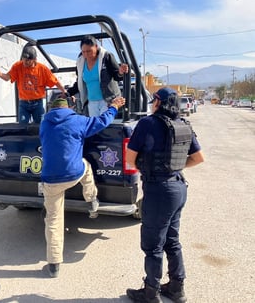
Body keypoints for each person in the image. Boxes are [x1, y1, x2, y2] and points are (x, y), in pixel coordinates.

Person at [125, 87, 204, 303]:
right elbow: (198, 158)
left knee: (153, 245)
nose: (152, 104)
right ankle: (177, 289)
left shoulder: (147, 124)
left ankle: (151, 292)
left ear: (158, 102)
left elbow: (130, 158)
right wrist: (173, 168)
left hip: (158, 191)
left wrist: (153, 170)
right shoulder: (184, 124)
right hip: (178, 188)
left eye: (154, 101)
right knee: (172, 240)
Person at [39, 96, 126, 278]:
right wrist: (113, 107)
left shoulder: (44, 123)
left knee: (53, 221)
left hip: (50, 180)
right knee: (86, 167)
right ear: (70, 107)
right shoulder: (78, 120)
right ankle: (92, 199)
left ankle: (54, 264)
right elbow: (102, 121)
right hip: (73, 174)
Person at [0, 45, 67, 124]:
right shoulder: (17, 66)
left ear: (35, 59)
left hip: (37, 103)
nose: (25, 61)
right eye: (24, 59)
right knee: (22, 125)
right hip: (23, 103)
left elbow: (55, 81)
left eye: (28, 60)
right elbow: (7, 77)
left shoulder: (42, 69)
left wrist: (65, 92)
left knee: (40, 125)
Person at [67, 35, 129, 116]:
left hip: (107, 101)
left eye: (89, 51)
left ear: (96, 47)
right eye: (83, 52)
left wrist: (121, 72)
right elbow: (79, 83)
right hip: (91, 102)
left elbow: (116, 75)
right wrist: (68, 93)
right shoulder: (80, 62)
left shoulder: (106, 57)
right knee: (95, 126)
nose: (86, 54)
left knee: (104, 123)